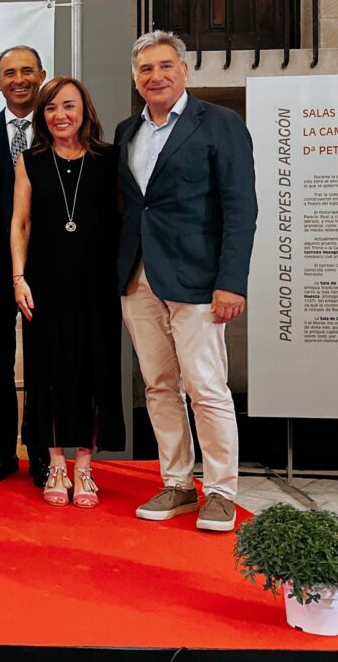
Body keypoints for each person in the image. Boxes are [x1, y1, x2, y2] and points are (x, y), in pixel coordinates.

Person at [116, 30, 256, 533]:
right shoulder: (127, 130)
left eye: (164, 66)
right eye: (146, 69)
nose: (156, 76)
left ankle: (220, 491)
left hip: (199, 280)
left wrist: (232, 281)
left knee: (207, 387)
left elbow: (241, 207)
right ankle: (177, 482)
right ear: (136, 78)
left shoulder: (220, 124)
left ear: (184, 71)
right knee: (158, 387)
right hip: (138, 277)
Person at [11, 77, 126, 508]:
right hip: (43, 283)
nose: (60, 115)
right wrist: (19, 278)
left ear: (85, 110)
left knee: (94, 372)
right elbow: (20, 224)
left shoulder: (110, 158)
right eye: (51, 108)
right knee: (48, 375)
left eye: (69, 106)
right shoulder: (30, 161)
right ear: (42, 116)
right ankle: (55, 462)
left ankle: (85, 466)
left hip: (97, 284)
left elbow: (123, 218)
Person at [0, 45, 48, 488]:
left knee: (43, 363)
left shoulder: (61, 128)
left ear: (41, 75)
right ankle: (3, 452)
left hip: (46, 266)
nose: (18, 79)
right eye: (9, 73)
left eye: (27, 71)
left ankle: (42, 453)